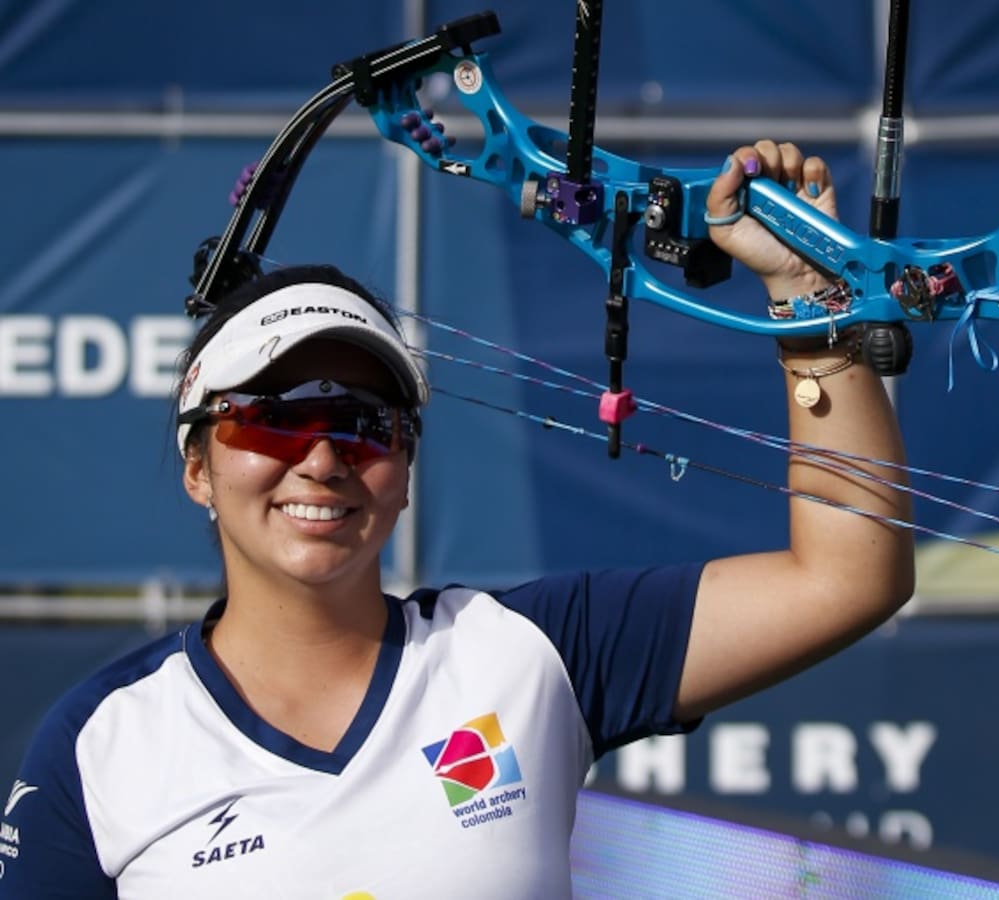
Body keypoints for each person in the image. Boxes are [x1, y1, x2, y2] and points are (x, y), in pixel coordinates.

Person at [0, 141, 914, 899]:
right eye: (272, 419)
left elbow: (849, 575)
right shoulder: (104, 743)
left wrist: (806, 298)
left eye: (366, 425)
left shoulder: (527, 651)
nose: (321, 458)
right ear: (198, 467)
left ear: (405, 473)